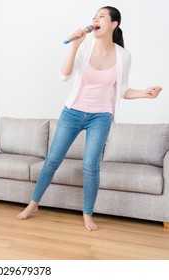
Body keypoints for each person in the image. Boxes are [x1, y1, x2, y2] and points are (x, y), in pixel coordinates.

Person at [16, 6, 162, 231]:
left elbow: (122, 90)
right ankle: (33, 204)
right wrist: (74, 46)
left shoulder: (124, 56)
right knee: (52, 161)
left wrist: (144, 93)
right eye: (94, 17)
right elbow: (64, 77)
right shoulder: (84, 46)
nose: (95, 20)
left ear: (113, 24)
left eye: (101, 16)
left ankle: (87, 214)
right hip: (73, 112)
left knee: (90, 166)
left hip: (101, 117)